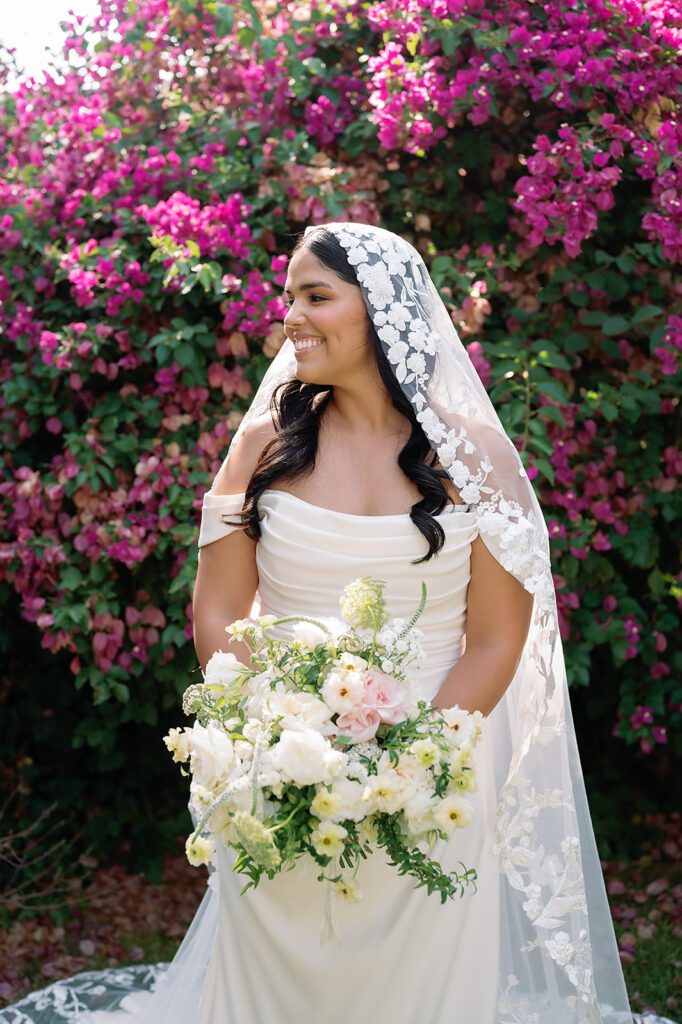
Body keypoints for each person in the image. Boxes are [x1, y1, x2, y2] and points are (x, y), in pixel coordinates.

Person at [1, 223, 635, 1023]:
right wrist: (267, 736)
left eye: (315, 296)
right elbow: (221, 609)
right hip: (281, 772)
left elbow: (498, 639)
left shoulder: (473, 456)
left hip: (434, 782)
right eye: (289, 296)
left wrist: (409, 767)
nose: (291, 316)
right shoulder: (265, 443)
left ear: (380, 312)